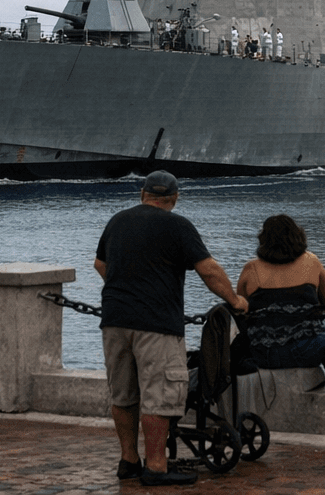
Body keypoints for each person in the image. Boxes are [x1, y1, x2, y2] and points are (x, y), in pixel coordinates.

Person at [95, 170, 247, 487]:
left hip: (114, 319)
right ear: (174, 199)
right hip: (157, 323)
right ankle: (157, 467)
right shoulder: (177, 225)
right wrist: (235, 300)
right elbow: (209, 270)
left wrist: (126, 289)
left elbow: (100, 265)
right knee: (159, 395)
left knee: (123, 393)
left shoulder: (118, 221)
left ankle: (129, 461)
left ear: (142, 194)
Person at [235, 215, 325, 386]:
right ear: (297, 236)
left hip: (263, 354)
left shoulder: (251, 269)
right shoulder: (311, 261)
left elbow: (242, 308)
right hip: (304, 351)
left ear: (263, 240)